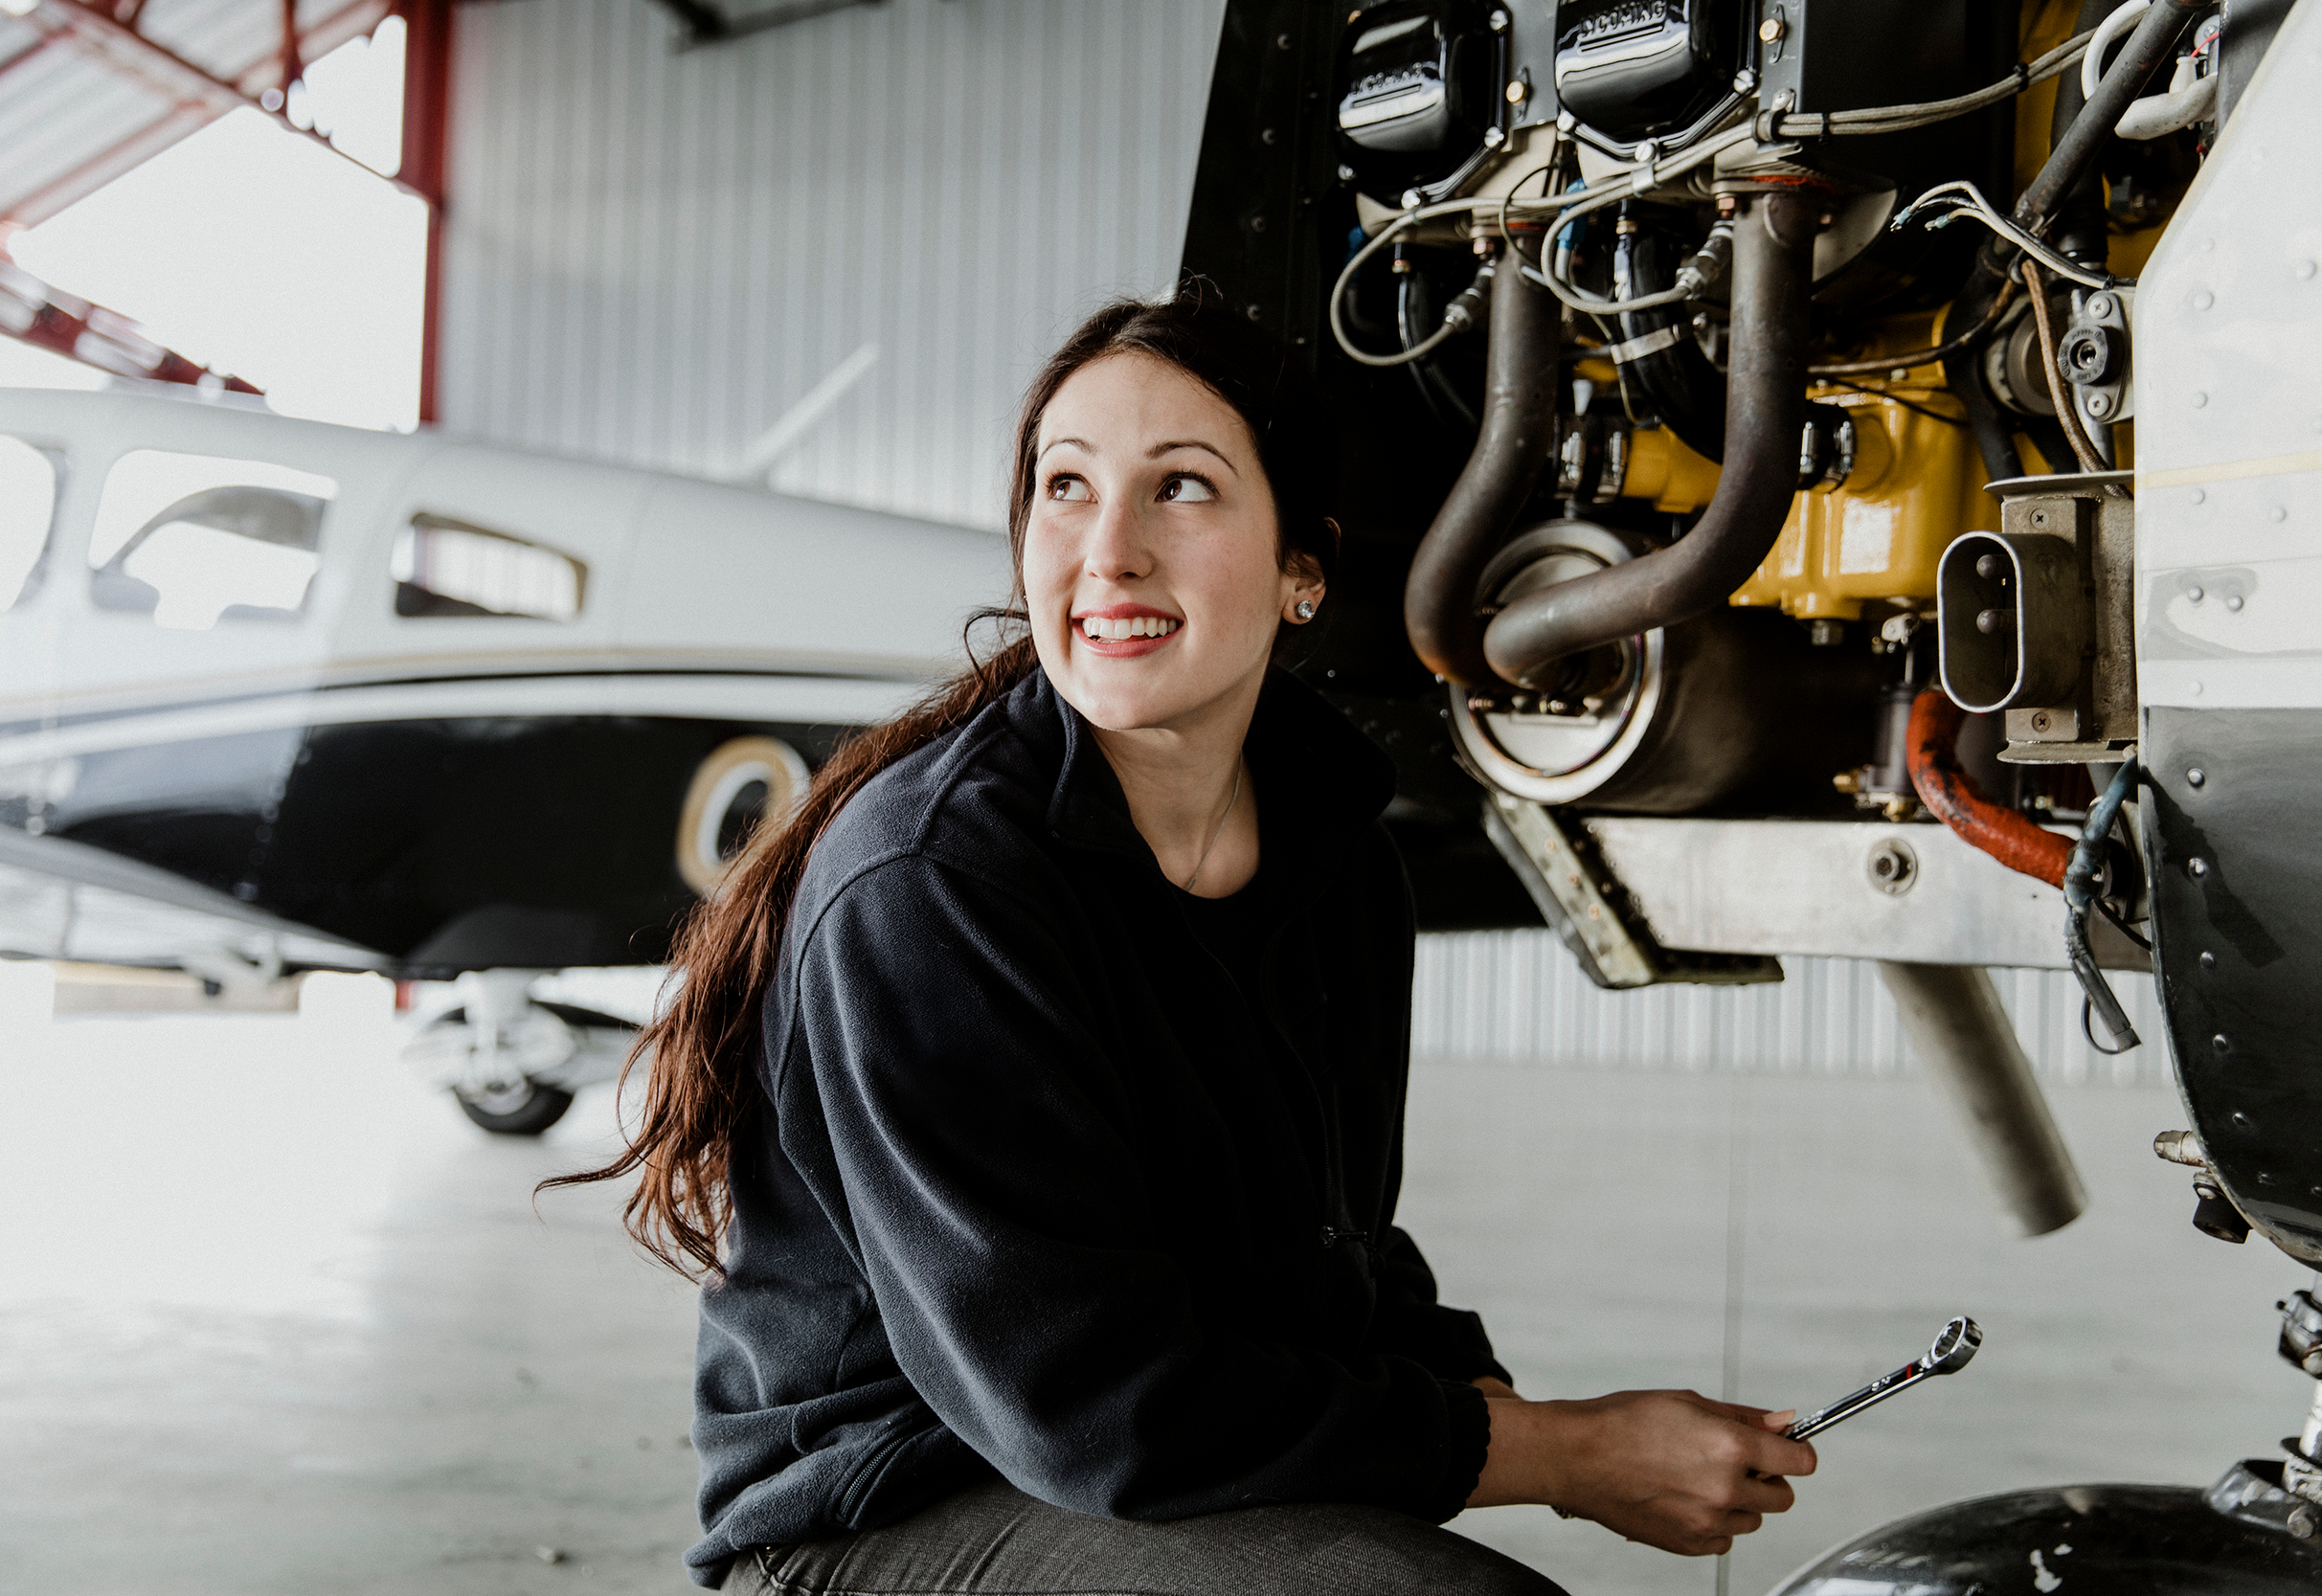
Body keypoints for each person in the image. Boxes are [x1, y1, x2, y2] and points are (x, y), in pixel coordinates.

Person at [557, 285, 1815, 1594]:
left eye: (1184, 489)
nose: (1109, 551)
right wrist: (1558, 1454)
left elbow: (1332, 1259)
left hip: (1113, 1474)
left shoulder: (1338, 859)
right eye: (1066, 487)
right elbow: (1093, 1406)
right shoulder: (933, 887)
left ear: (1302, 570)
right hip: (879, 1512)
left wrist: (1560, 1427)